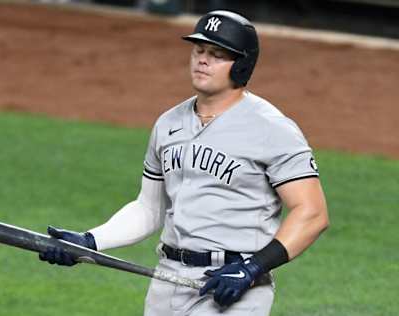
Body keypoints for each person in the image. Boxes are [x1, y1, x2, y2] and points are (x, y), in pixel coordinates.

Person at [39, 10, 329, 316]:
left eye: (216, 54)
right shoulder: (168, 124)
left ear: (241, 65)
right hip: (167, 280)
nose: (202, 60)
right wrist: (90, 240)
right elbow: (149, 209)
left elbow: (312, 213)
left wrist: (252, 268)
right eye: (199, 50)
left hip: (234, 286)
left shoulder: (273, 129)